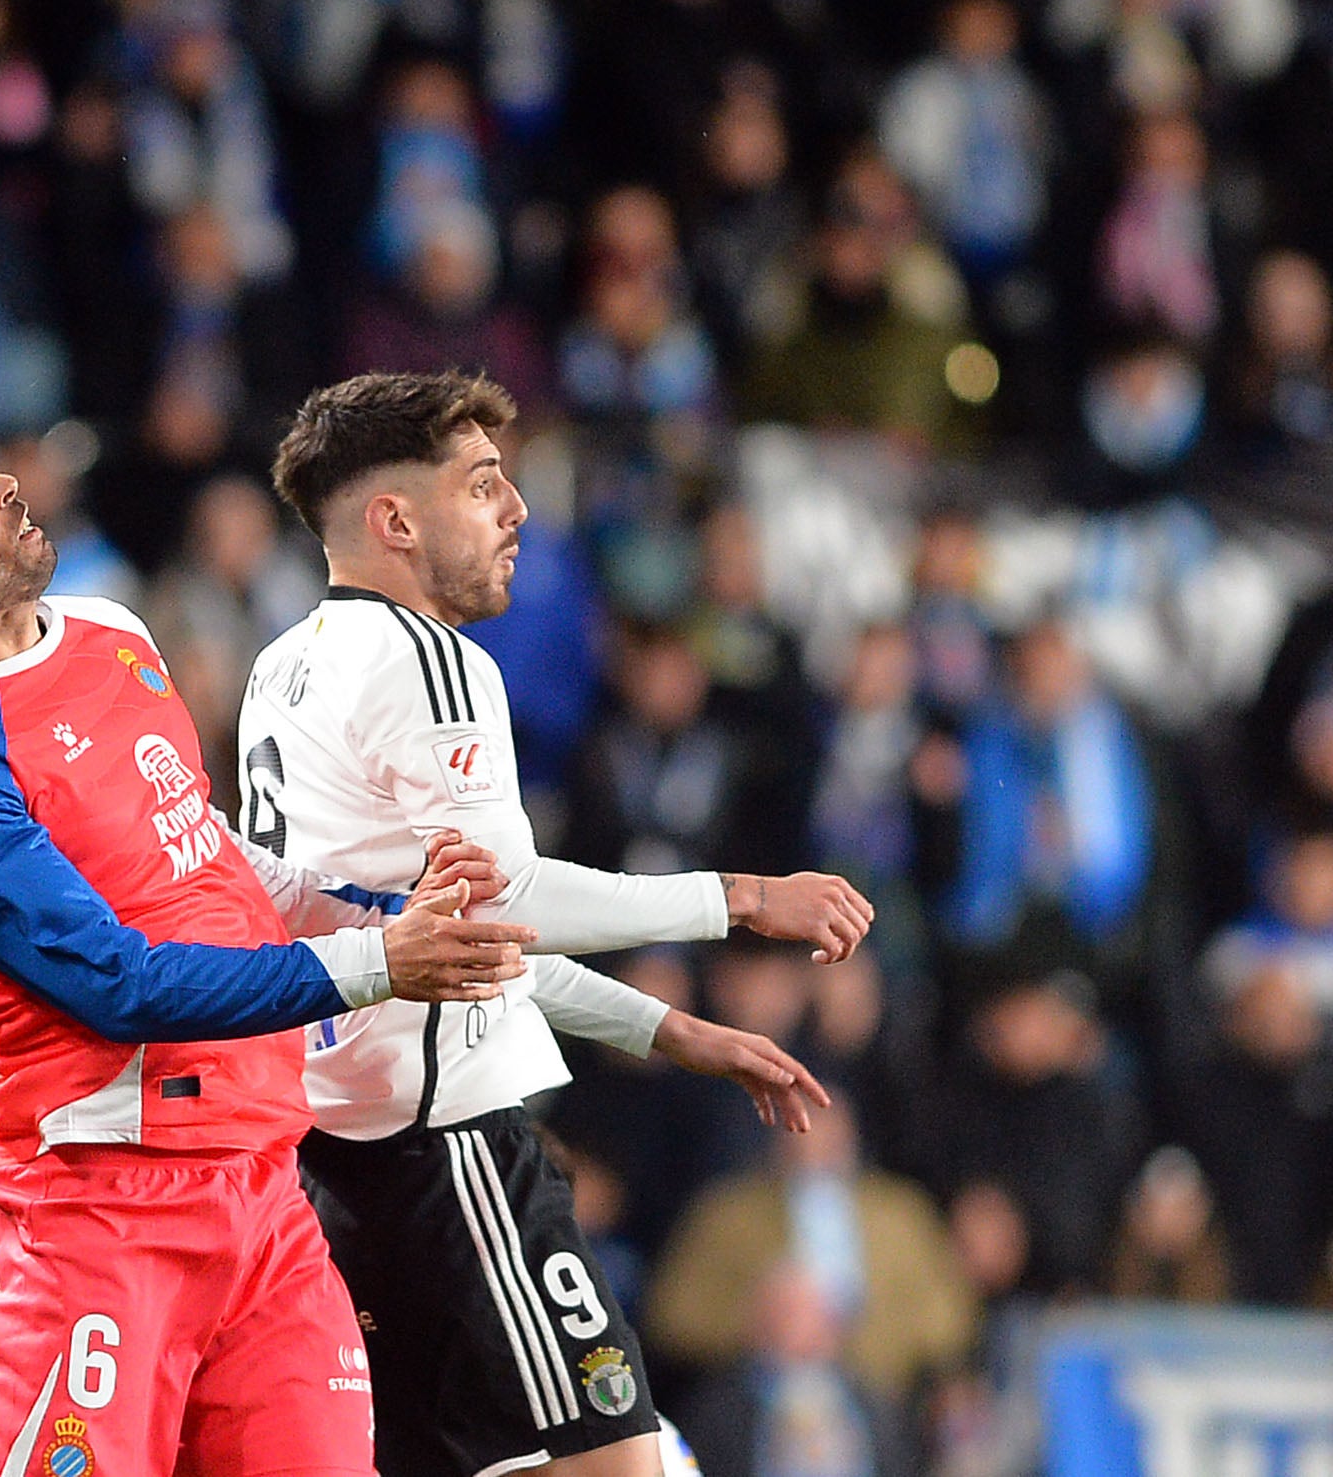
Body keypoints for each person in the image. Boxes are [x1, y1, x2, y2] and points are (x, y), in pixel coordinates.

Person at [0, 333, 539, 1477]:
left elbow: (201, 857)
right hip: (109, 1218)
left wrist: (363, 906)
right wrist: (375, 960)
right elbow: (117, 980)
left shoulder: (109, 631)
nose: (6, 481)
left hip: (264, 1190)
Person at [236, 370, 873, 1477]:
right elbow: (508, 901)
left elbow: (440, 939)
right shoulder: (430, 658)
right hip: (453, 1157)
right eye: (482, 484)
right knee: (630, 1465)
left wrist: (667, 1031)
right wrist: (739, 897)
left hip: (338, 1158)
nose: (516, 509)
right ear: (393, 518)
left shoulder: (279, 667)